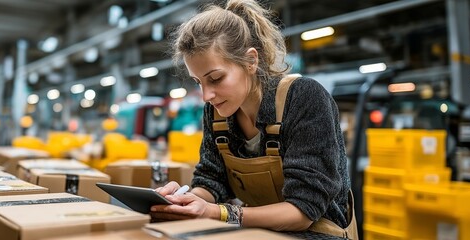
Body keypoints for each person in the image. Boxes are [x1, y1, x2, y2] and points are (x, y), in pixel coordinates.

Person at [150, 0, 357, 238]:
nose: (207, 95)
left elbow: (303, 211)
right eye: (199, 82)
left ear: (250, 61)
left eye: (215, 78)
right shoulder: (218, 112)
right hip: (257, 231)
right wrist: (185, 201)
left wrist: (219, 213)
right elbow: (211, 180)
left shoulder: (303, 98)